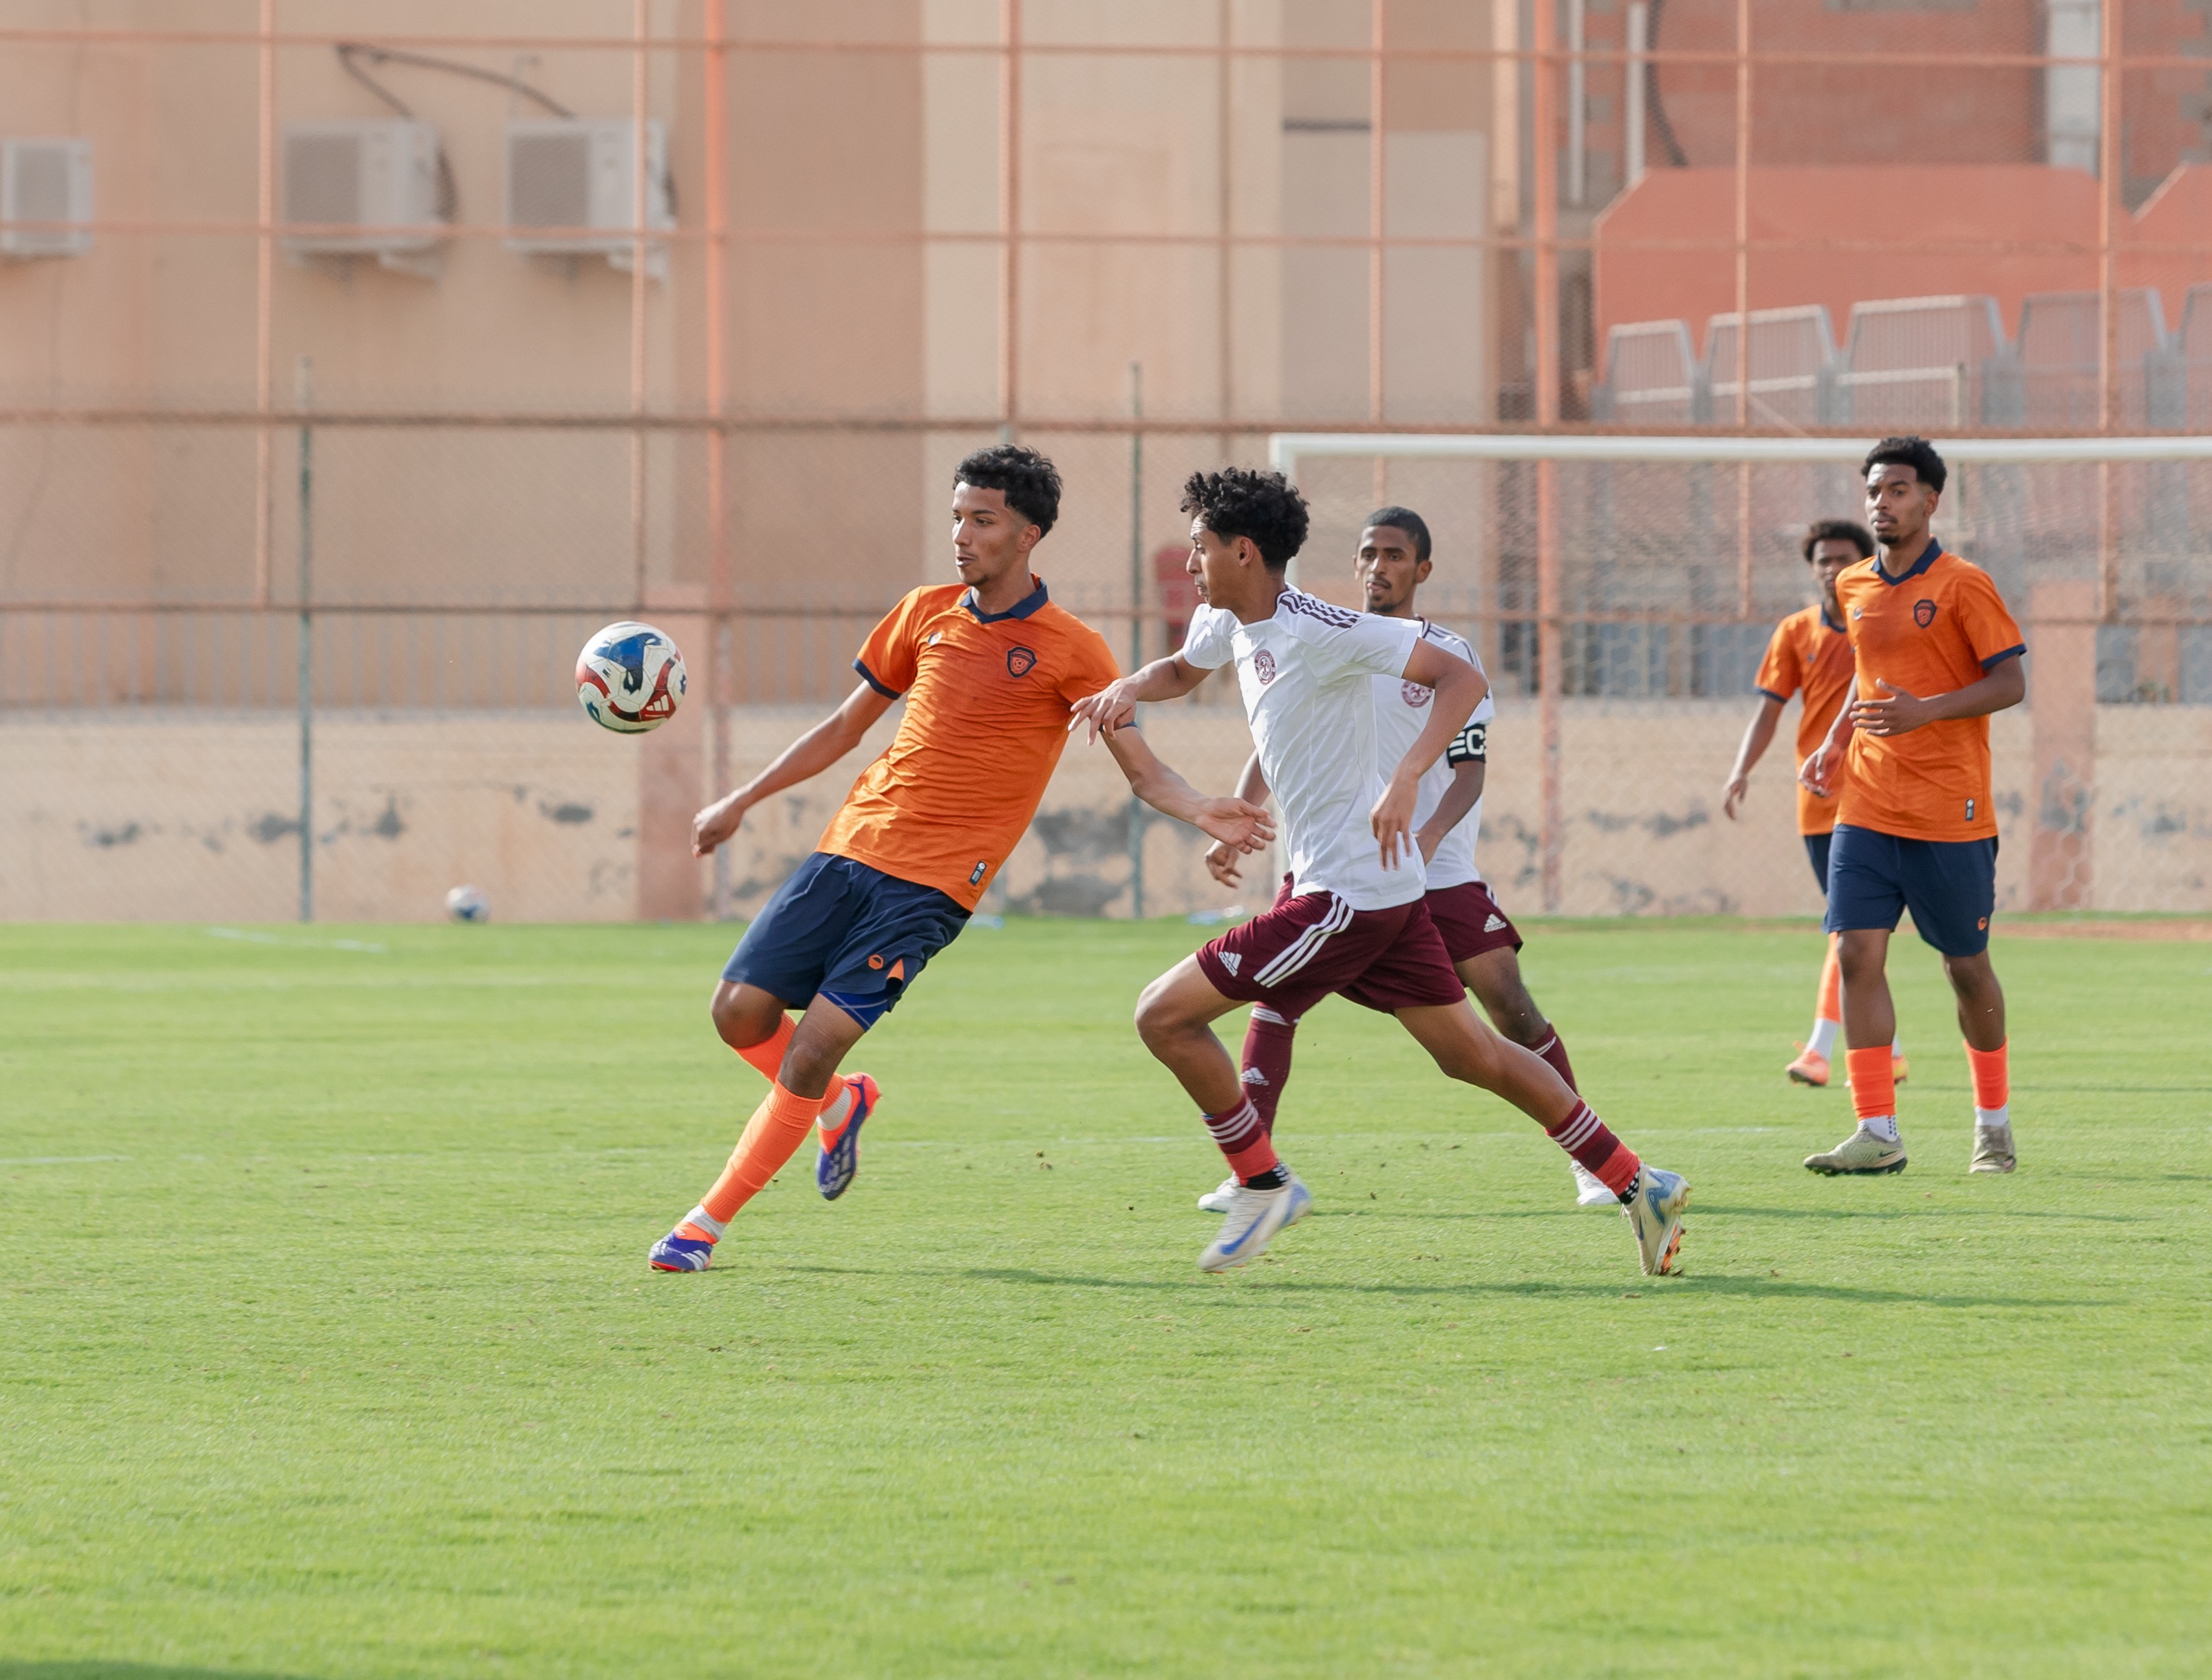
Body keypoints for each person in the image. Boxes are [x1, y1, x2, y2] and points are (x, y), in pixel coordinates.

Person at [650, 444, 1274, 1272]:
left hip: (932, 886)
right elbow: (843, 728)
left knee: (812, 1046)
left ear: (1027, 535)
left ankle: (703, 1225)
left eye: (982, 520)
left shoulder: (1072, 648)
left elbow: (1142, 770)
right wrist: (740, 800)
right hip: (848, 848)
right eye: (956, 517)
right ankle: (841, 1106)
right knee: (737, 1014)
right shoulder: (923, 613)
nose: (961, 535)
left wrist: (1201, 809)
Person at [1073, 467, 1690, 1276]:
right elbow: (1183, 671)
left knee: (1162, 1016)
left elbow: (1461, 678)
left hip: (1347, 895)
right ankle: (1638, 1183)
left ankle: (1261, 1182)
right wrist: (1127, 686)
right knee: (1471, 1055)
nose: (1188, 562)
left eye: (1199, 547)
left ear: (1243, 551)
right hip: (1378, 892)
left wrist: (1405, 777)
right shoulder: (1226, 621)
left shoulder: (1321, 630)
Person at [1200, 506, 1615, 1211]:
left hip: (1436, 871)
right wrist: (1239, 813)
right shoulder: (1325, 637)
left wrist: (1428, 836)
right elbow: (1275, 740)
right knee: (1275, 999)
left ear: (1421, 569)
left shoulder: (1443, 653)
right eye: (1368, 553)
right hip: (1340, 867)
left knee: (1508, 1008)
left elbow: (1469, 772)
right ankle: (1252, 1173)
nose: (1377, 567)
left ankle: (1590, 1163)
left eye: (1393, 555)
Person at [1798, 435, 2026, 1176]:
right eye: (1873, 491)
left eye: (1896, 490)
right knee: (1854, 952)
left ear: (1930, 501)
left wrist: (1925, 711)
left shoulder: (1964, 584)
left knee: (1964, 968)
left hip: (1949, 812)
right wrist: (1834, 742)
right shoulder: (1853, 584)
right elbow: (1866, 679)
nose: (1881, 503)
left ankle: (1992, 1124)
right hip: (1866, 805)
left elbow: (2009, 684)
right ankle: (1876, 1131)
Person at [1723, 519, 1910, 1088]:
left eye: (1842, 559)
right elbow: (1770, 709)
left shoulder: (1879, 623)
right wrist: (1740, 770)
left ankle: (1820, 1050)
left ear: (1863, 563)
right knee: (1852, 928)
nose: (1832, 569)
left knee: (1849, 925)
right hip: (1819, 795)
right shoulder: (1795, 631)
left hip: (1877, 791)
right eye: (1823, 560)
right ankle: (1888, 1052)